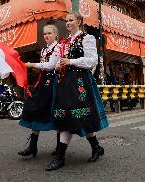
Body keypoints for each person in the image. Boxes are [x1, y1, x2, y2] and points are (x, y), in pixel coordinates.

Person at [45, 12, 109, 171]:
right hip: (65, 82)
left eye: (71, 20)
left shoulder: (87, 38)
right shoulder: (63, 42)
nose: (67, 23)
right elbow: (55, 64)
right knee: (75, 117)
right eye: (66, 21)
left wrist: (71, 61)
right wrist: (58, 67)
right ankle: (96, 147)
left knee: (73, 116)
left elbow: (92, 61)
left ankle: (60, 156)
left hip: (80, 82)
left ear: (79, 22)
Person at [18, 24, 61, 157]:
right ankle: (33, 146)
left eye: (49, 33)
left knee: (57, 112)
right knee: (35, 108)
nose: (46, 36)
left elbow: (50, 66)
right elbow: (44, 67)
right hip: (43, 82)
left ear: (55, 35)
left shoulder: (58, 47)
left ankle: (60, 147)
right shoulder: (43, 50)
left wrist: (32, 65)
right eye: (44, 34)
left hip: (54, 82)